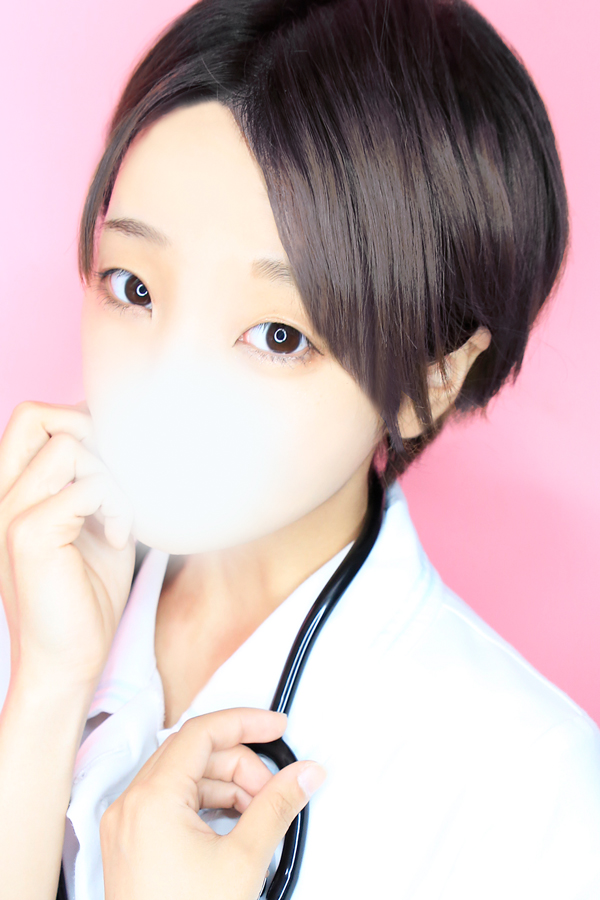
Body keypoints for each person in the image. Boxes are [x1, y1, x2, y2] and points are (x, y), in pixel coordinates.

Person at [0, 0, 599, 898]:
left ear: (429, 381)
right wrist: (44, 696)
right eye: (134, 287)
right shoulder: (31, 593)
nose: (168, 384)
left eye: (277, 335)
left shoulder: (533, 795)